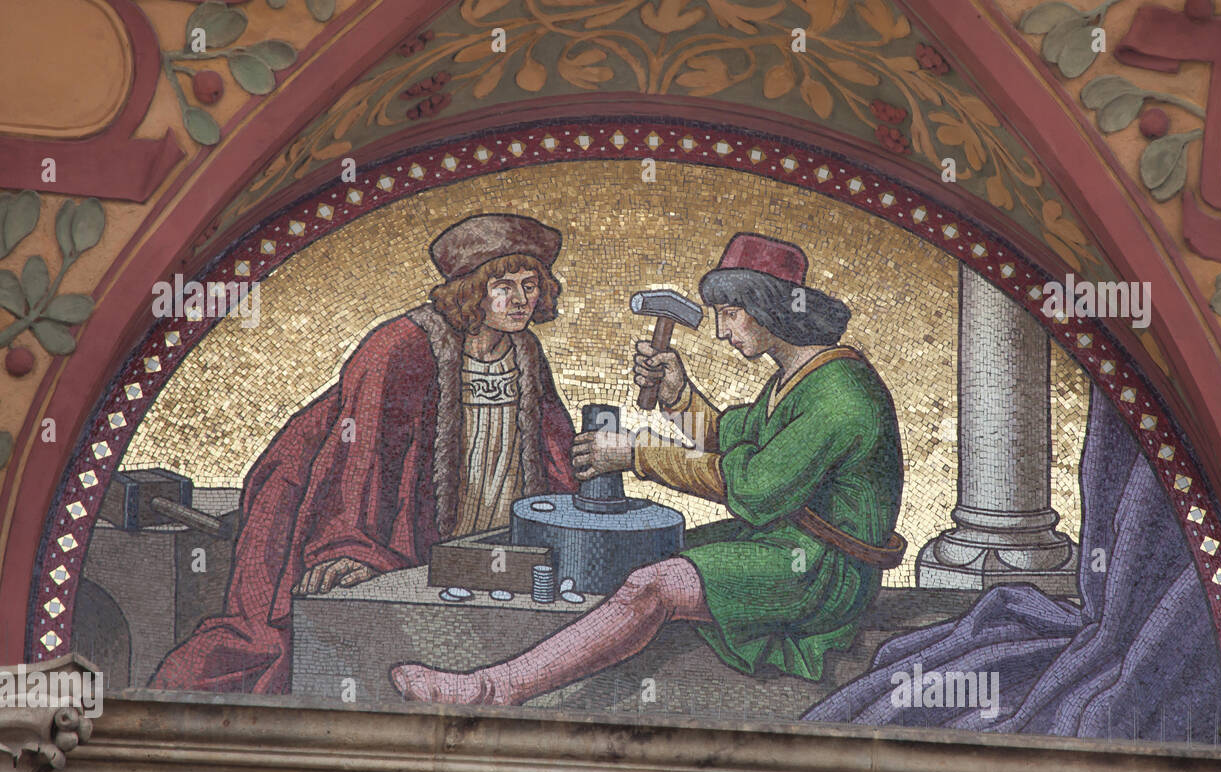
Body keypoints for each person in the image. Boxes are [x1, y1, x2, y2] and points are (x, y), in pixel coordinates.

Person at [390, 232, 905, 705]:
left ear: (766, 306)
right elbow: (728, 438)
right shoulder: (796, 380)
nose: (722, 333)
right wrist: (678, 395)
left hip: (821, 571)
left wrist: (635, 454)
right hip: (787, 546)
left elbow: (754, 486)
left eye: (729, 314)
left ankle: (493, 688)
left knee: (654, 586)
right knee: (646, 558)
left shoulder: (840, 395)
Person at [150, 214, 579, 694]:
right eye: (505, 285)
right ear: (472, 290)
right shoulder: (400, 347)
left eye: (531, 285)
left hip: (483, 540)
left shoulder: (524, 349)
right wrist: (350, 547)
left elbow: (552, 451)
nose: (523, 300)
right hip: (405, 533)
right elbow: (358, 459)